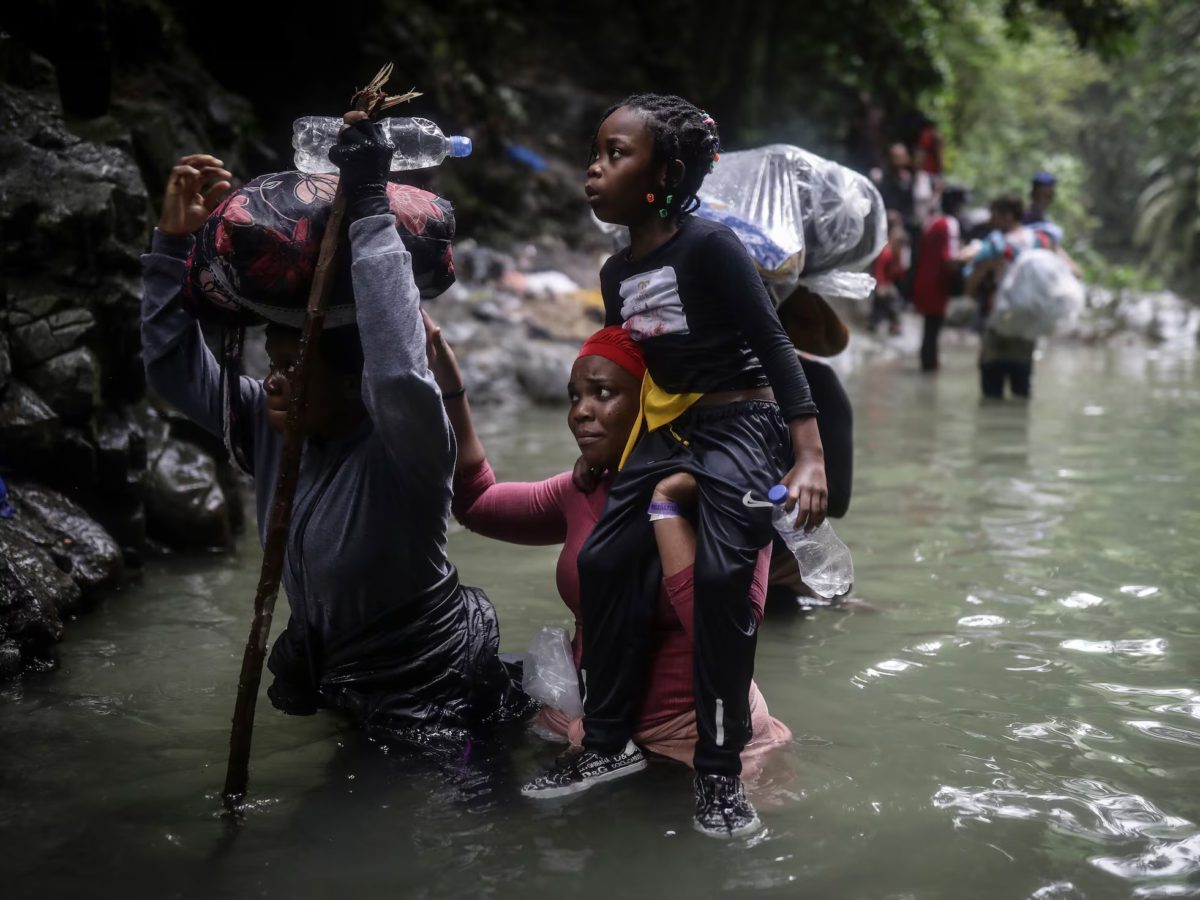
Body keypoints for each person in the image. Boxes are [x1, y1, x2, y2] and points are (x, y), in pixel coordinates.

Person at [140, 132, 528, 748]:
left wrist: (372, 209)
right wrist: (170, 247)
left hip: (433, 684)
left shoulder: (406, 450)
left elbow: (399, 370)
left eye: (295, 367)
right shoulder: (272, 434)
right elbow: (170, 368)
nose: (272, 379)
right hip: (342, 670)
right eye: (273, 360)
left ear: (356, 387)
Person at [519, 93, 828, 839]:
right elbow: (628, 372)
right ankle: (608, 741)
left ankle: (720, 775)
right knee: (604, 558)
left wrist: (809, 453)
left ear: (667, 172)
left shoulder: (711, 247)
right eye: (596, 152)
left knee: (723, 579)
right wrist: (602, 453)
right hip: (673, 428)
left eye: (615, 154)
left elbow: (776, 345)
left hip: (744, 423)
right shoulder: (616, 271)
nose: (594, 168)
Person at [423, 316, 793, 773]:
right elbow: (476, 504)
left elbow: (721, 635)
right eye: (574, 397)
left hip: (695, 741)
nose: (580, 411)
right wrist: (451, 391)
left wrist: (666, 505)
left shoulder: (724, 493)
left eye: (603, 393)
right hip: (588, 729)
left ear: (653, 404)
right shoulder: (580, 490)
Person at [965, 194, 1056, 399]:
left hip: (999, 322)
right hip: (1028, 324)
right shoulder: (1040, 241)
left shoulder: (996, 244)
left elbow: (971, 286)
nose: (991, 221)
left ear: (1006, 216)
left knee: (991, 390)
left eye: (995, 216)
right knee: (1021, 388)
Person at [911, 185, 966, 371]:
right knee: (933, 330)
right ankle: (930, 368)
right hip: (937, 285)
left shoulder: (931, 221)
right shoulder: (950, 223)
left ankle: (927, 366)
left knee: (929, 330)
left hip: (923, 280)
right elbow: (949, 258)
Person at [869, 210, 910, 336]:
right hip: (880, 282)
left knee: (892, 301)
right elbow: (879, 269)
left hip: (888, 282)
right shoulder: (886, 252)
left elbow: (899, 273)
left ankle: (892, 325)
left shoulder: (896, 253)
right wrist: (881, 284)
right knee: (887, 300)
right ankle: (878, 323)